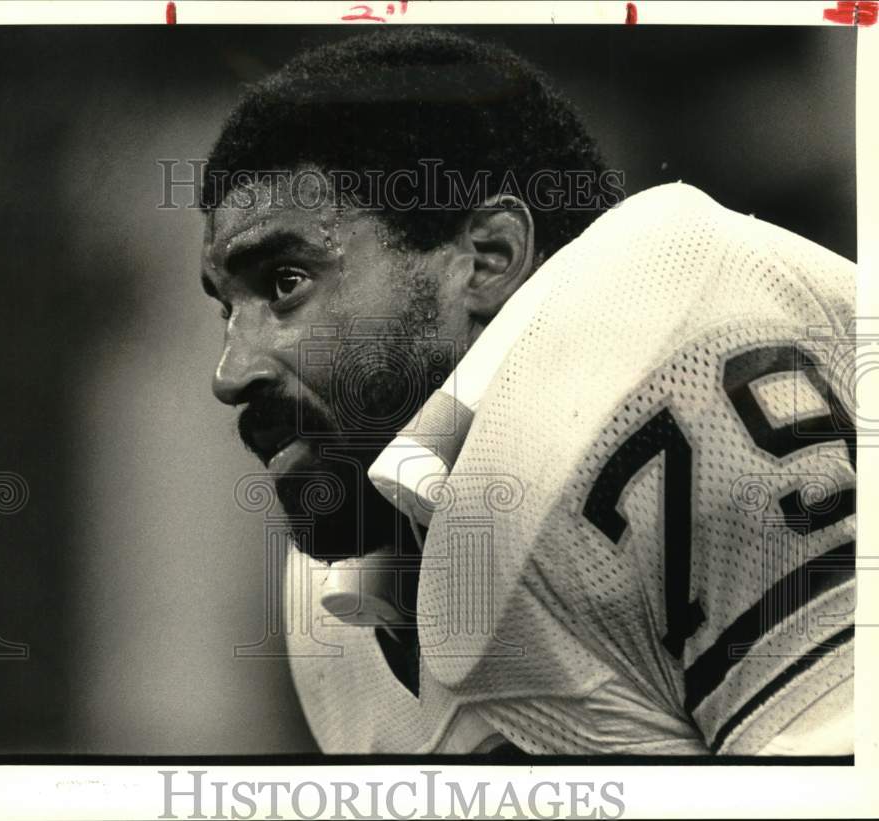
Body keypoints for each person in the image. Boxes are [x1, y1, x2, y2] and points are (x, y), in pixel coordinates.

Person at [200, 29, 855, 755]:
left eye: (285, 283)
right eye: (227, 310)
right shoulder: (342, 591)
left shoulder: (677, 359)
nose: (230, 372)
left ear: (487, 259)